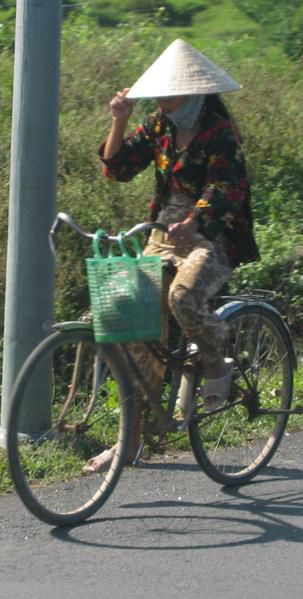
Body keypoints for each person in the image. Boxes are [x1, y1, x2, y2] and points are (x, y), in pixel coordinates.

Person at [83, 39, 260, 473]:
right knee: (130, 326)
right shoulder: (160, 126)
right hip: (163, 234)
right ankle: (129, 442)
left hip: (211, 237)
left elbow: (226, 188)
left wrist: (196, 220)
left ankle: (216, 362)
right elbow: (118, 169)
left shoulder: (219, 131)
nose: (161, 99)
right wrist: (119, 122)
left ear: (192, 91)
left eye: (168, 91)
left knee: (183, 298)